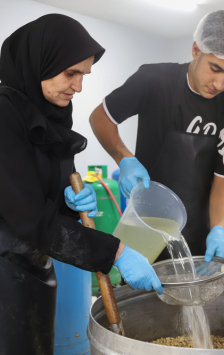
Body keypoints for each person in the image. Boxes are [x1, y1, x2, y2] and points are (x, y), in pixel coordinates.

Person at [0, 14, 162, 355]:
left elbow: (44, 195)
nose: (78, 86)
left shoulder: (51, 113)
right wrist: (118, 252)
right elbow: (27, 217)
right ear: (40, 61)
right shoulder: (4, 115)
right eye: (70, 73)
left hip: (34, 266)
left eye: (84, 75)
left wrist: (66, 202)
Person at [89, 10, 224, 262]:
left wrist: (219, 229)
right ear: (195, 50)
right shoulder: (153, 80)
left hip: (199, 236)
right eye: (215, 68)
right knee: (140, 296)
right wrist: (123, 157)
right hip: (144, 225)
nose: (221, 83)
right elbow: (100, 118)